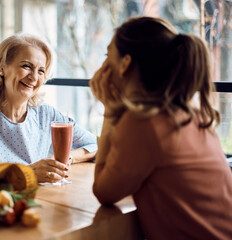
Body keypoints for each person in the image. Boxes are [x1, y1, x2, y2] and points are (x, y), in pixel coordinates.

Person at [90, 16, 232, 239]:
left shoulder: (143, 122)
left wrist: (110, 109)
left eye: (108, 55)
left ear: (125, 63)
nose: (103, 65)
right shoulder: (191, 113)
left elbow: (104, 191)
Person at [0, 34, 97, 185]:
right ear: (2, 67)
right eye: (26, 66)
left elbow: (94, 145)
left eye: (41, 71)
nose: (34, 77)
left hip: (36, 199)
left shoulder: (47, 114)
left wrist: (63, 159)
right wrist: (25, 172)